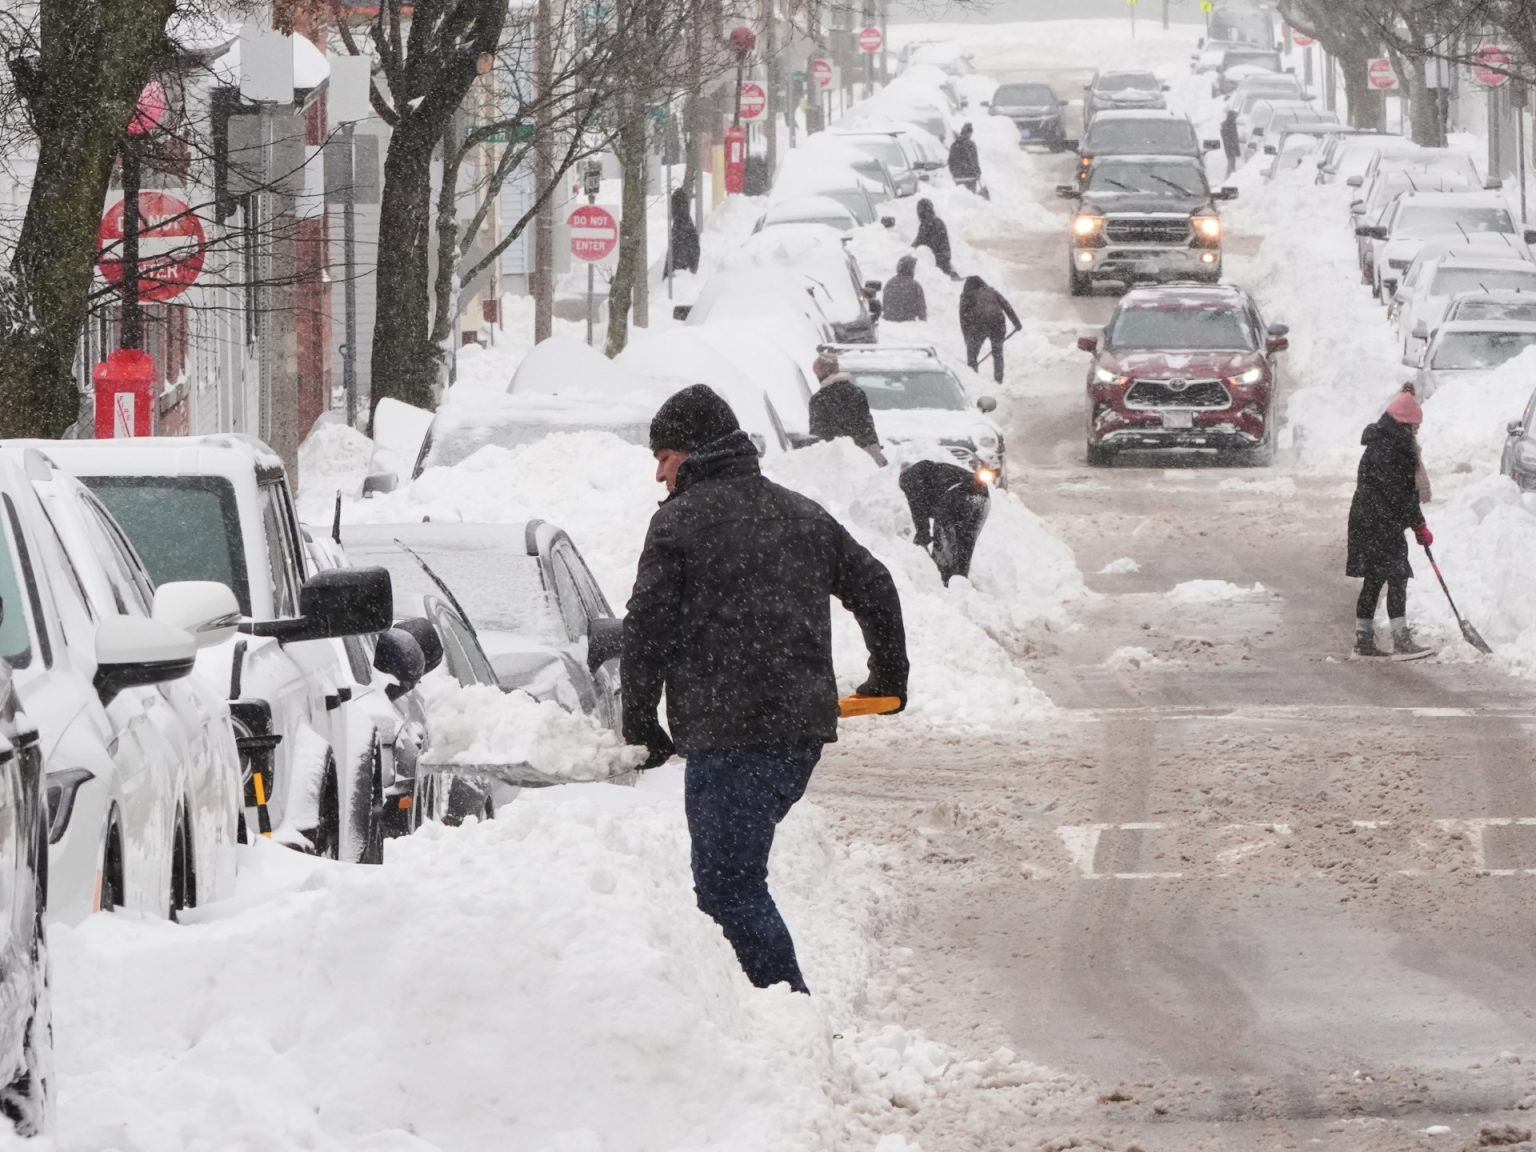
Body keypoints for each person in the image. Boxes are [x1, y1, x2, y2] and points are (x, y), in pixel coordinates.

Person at [624, 384, 909, 994]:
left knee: (729, 884)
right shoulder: (801, 513)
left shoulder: (678, 525)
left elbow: (647, 631)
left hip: (731, 735)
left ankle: (784, 1011)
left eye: (664, 457)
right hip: (797, 735)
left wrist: (641, 722)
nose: (658, 473)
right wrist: (889, 675)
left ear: (694, 454)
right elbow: (876, 586)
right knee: (733, 877)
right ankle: (742, 1010)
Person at [1346, 390, 1432, 659]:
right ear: (1405, 422)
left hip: (1369, 520)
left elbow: (1396, 493)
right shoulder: (1395, 448)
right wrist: (1418, 525)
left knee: (1374, 579)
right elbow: (1401, 493)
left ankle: (1364, 640)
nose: (1417, 430)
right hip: (1380, 522)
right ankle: (1401, 640)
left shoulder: (1381, 442)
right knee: (1397, 576)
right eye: (1416, 424)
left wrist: (1416, 524)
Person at [900, 459, 991, 585]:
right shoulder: (934, 473)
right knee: (965, 543)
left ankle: (943, 582)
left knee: (943, 540)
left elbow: (917, 508)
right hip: (982, 499)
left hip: (960, 495)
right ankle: (961, 582)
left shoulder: (910, 478)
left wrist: (923, 534)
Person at [808, 353, 886, 465]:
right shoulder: (856, 392)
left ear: (822, 374)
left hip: (841, 458)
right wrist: (873, 446)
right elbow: (866, 423)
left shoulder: (819, 399)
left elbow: (819, 433)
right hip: (868, 451)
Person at [959, 275, 1022, 384]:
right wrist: (1017, 323)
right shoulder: (992, 292)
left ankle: (973, 379)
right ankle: (999, 379)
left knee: (972, 355)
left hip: (979, 324)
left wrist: (967, 338)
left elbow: (963, 318)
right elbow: (1007, 306)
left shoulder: (967, 296)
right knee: (997, 352)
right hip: (997, 323)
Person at [913, 198, 961, 281]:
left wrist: (909, 250)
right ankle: (951, 274)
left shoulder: (927, 224)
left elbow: (919, 242)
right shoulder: (938, 221)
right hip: (945, 258)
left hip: (937, 261)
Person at [882, 255, 927, 323]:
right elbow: (922, 312)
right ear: (910, 269)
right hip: (908, 327)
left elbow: (885, 307)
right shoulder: (915, 286)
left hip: (889, 327)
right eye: (913, 268)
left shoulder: (889, 283)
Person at [665, 188, 700, 276]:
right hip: (680, 273)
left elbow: (676, 253)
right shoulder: (682, 225)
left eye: (673, 206)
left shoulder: (682, 227)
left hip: (680, 275)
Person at [948, 122, 982, 192]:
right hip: (970, 177)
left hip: (959, 178)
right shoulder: (971, 145)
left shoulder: (954, 145)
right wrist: (978, 172)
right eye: (970, 132)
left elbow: (950, 161)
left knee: (962, 199)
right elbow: (975, 161)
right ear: (968, 133)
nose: (970, 135)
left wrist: (954, 173)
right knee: (971, 199)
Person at [1220, 109, 1241, 178]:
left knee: (1232, 160)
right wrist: (1232, 145)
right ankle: (1229, 177)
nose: (1235, 118)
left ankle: (1231, 176)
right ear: (1231, 117)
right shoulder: (1228, 125)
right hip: (1230, 146)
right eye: (1234, 117)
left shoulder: (1231, 124)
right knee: (1231, 161)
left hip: (1231, 146)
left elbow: (1234, 136)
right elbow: (1227, 137)